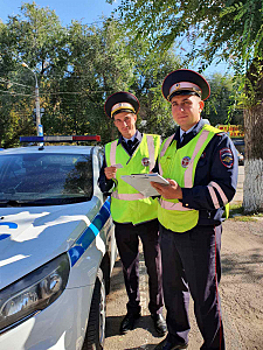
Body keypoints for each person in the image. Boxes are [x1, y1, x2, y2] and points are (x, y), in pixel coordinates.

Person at [150, 70, 238, 350]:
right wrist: (149, 185)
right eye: (175, 105)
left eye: (186, 103)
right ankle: (177, 338)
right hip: (167, 229)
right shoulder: (166, 143)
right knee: (173, 291)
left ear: (200, 105)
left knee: (205, 297)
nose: (179, 109)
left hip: (200, 232)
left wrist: (183, 195)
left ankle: (214, 347)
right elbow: (157, 178)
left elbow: (224, 191)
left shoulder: (218, 141)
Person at [98, 91, 167, 336]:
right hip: (123, 218)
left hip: (150, 217)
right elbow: (104, 187)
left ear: (135, 117)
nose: (124, 124)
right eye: (118, 121)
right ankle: (133, 310)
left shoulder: (156, 143)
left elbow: (165, 181)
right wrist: (105, 179)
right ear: (114, 123)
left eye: (127, 118)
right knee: (128, 269)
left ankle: (157, 311)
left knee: (155, 267)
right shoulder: (108, 149)